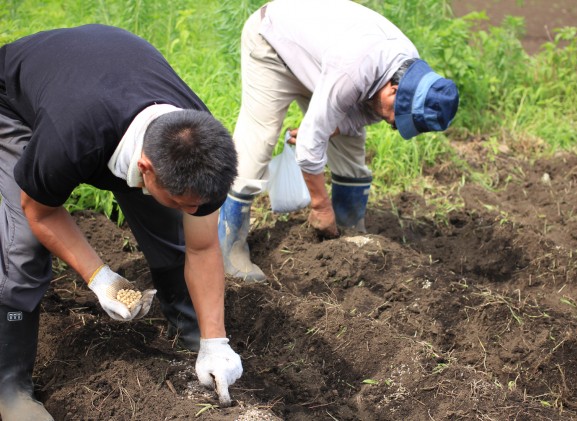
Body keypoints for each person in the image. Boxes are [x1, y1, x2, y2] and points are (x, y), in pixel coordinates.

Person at [0, 24, 242, 420]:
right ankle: (9, 386)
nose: (190, 207)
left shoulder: (202, 151)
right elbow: (39, 210)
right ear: (145, 167)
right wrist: (100, 278)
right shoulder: (70, 137)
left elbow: (201, 245)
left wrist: (216, 339)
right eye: (182, 199)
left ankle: (194, 332)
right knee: (25, 243)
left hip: (110, 92)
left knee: (170, 229)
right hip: (17, 102)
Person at [219, 0, 460, 282]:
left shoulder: (408, 71)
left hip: (324, 62)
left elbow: (361, 116)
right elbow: (309, 149)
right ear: (394, 90)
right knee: (259, 140)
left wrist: (327, 127)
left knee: (350, 147)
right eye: (398, 115)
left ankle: (349, 231)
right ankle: (229, 251)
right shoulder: (354, 69)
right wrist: (320, 206)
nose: (393, 123)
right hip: (273, 46)